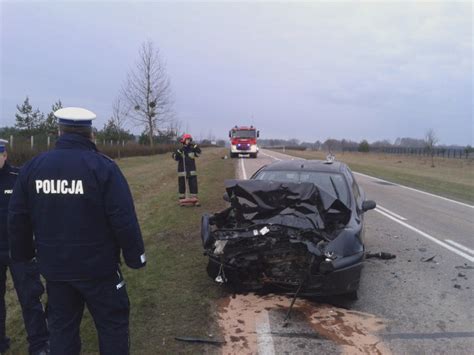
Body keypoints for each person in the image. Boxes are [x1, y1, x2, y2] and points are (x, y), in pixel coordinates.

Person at [8, 108, 146, 355]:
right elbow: (123, 218)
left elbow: (18, 217)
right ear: (90, 134)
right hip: (99, 270)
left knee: (62, 330)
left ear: (59, 132)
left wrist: (23, 255)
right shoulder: (103, 167)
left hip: (55, 270)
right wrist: (135, 257)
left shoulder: (33, 167)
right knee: (112, 326)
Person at [0, 139, 49, 355]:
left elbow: (38, 211)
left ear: (4, 155)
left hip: (19, 250)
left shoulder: (19, 178)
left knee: (29, 298)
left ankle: (39, 345)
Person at [172, 134, 201, 205]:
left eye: (189, 140)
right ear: (184, 141)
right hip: (182, 171)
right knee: (182, 185)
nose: (189, 141)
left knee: (193, 185)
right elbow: (175, 157)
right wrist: (178, 153)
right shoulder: (180, 150)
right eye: (187, 140)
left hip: (192, 170)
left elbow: (198, 154)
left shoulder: (192, 149)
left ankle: (195, 199)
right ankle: (182, 200)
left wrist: (197, 148)